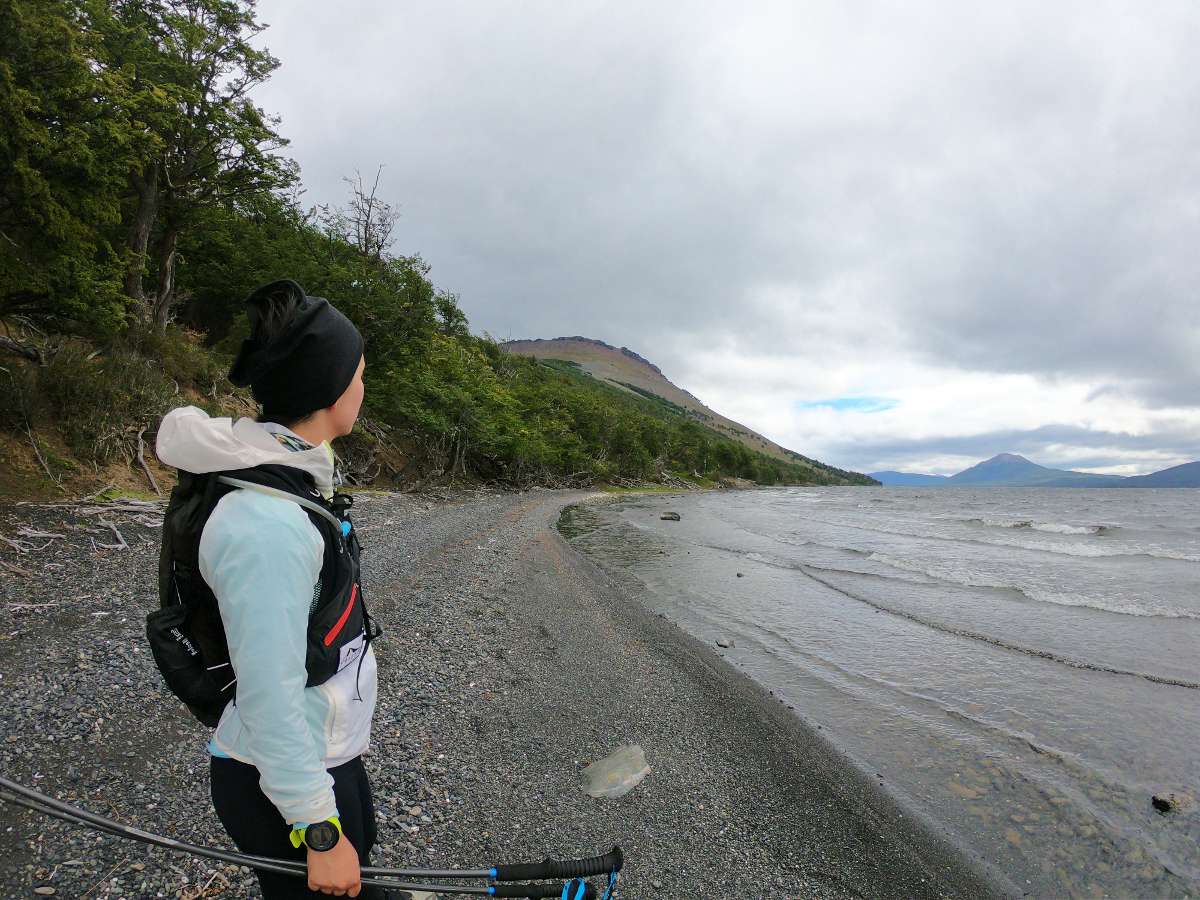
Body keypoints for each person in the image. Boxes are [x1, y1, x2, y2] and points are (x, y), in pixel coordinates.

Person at [156, 279, 381, 898]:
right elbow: (269, 693)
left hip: (323, 751)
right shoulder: (267, 525)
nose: (364, 387)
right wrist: (320, 831)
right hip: (277, 775)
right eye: (359, 374)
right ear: (330, 387)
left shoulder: (290, 476)